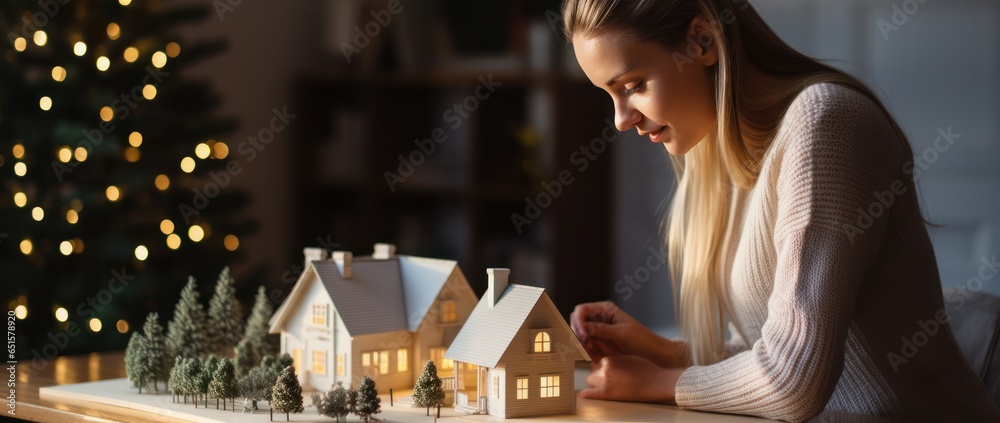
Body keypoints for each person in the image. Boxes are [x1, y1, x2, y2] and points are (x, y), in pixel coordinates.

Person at [563, 0, 1000, 422]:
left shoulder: (825, 123)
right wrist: (661, 351)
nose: (620, 120)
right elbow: (767, 352)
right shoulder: (731, 159)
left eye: (634, 85)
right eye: (609, 94)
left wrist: (659, 383)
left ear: (702, 41)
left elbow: (793, 383)